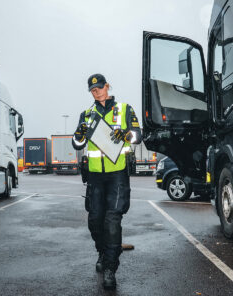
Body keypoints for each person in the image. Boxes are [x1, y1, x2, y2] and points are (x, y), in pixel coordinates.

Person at [72, 73, 141, 290]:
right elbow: (76, 142)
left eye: (100, 88)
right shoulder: (87, 114)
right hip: (95, 176)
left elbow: (138, 136)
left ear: (107, 86)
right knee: (94, 221)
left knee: (112, 221)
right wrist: (80, 132)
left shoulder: (124, 109)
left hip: (117, 173)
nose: (97, 92)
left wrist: (125, 134)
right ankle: (103, 251)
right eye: (93, 90)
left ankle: (110, 267)